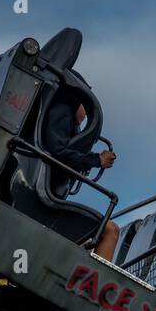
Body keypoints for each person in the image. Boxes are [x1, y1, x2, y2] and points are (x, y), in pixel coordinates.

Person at [41, 96, 119, 261]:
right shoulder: (63, 109)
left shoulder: (51, 114)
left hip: (46, 199)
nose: (85, 115)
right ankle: (95, 286)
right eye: (84, 106)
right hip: (44, 204)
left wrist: (81, 165)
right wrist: (96, 160)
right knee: (110, 230)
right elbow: (58, 153)